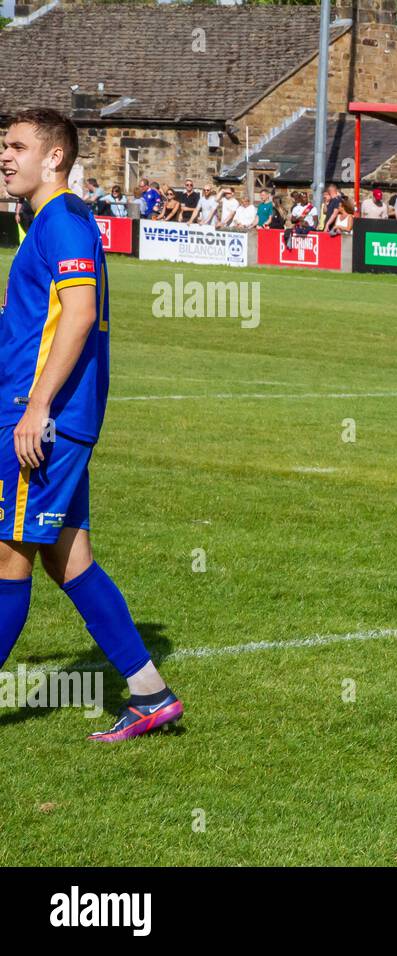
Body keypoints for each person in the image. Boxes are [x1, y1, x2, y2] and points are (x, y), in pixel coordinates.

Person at [0, 108, 184, 741]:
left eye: (17, 146)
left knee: (7, 557)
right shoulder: (50, 222)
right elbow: (42, 316)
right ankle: (150, 694)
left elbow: (79, 313)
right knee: (68, 560)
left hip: (42, 422)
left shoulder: (62, 221)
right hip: (53, 419)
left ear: (54, 157)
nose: (5, 156)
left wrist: (36, 408)